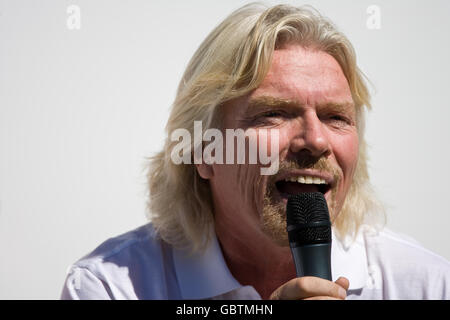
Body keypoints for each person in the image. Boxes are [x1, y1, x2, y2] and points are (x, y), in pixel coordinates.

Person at [61, 3, 450, 300]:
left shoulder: (426, 284)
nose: (315, 141)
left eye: (335, 117)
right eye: (274, 114)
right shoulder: (113, 285)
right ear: (203, 150)